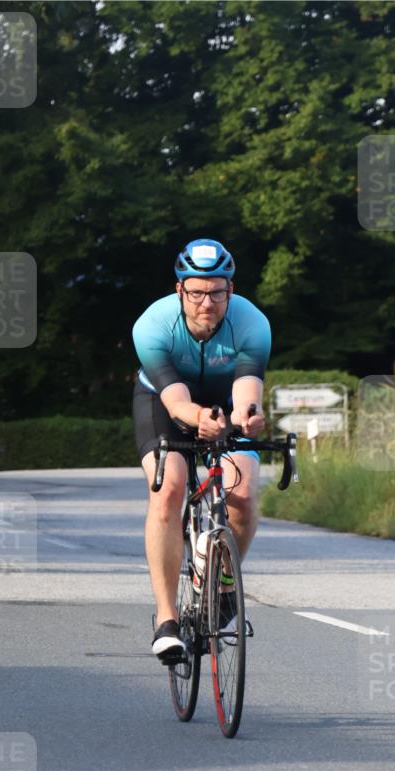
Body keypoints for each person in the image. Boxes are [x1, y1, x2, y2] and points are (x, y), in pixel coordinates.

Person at [132, 238, 271, 662]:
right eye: (196, 292)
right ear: (179, 291)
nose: (206, 302)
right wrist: (201, 420)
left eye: (216, 292)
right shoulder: (152, 326)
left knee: (243, 498)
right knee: (168, 491)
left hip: (225, 403)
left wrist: (247, 415)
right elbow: (176, 403)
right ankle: (167, 619)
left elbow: (247, 390)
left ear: (231, 289)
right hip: (163, 402)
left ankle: (224, 588)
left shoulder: (253, 324)